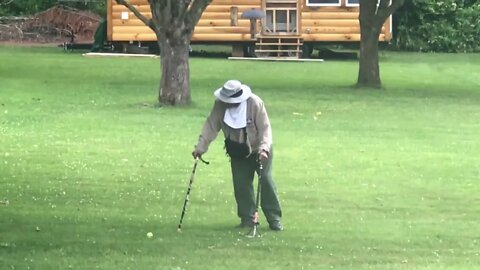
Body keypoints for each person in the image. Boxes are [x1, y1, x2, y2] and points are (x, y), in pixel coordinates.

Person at [192, 80, 283, 231]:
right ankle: (247, 219)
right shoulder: (220, 105)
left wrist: (264, 148)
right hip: (237, 151)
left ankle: (274, 219)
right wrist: (200, 147)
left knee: (265, 181)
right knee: (241, 184)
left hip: (259, 150)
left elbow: (265, 129)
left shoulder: (255, 103)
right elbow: (211, 126)